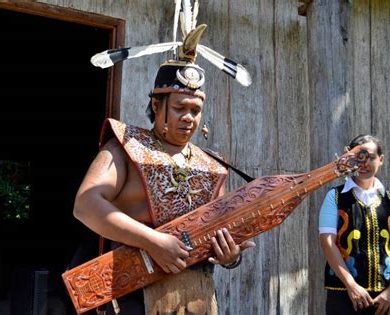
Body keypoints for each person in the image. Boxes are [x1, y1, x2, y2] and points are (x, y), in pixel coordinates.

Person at [72, 47, 255, 315]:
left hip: (196, 298)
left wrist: (230, 257)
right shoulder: (124, 147)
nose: (189, 118)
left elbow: (219, 231)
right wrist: (152, 241)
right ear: (156, 105)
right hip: (131, 295)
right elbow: (86, 205)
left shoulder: (213, 164)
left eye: (196, 110)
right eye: (180, 107)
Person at [318, 135, 390, 315]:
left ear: (381, 159)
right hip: (343, 295)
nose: (364, 164)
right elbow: (327, 243)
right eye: (358, 158)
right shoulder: (335, 197)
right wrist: (351, 285)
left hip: (384, 299)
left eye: (371, 157)